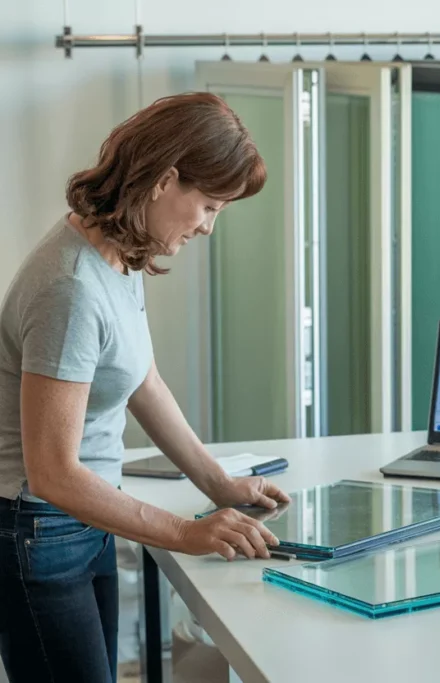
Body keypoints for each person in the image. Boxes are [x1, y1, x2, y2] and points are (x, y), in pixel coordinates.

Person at [0, 92, 291, 683]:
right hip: (40, 526)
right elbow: (52, 471)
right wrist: (186, 532)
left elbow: (143, 379)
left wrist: (219, 483)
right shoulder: (71, 289)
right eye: (209, 205)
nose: (209, 226)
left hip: (84, 515)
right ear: (164, 181)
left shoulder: (117, 256)